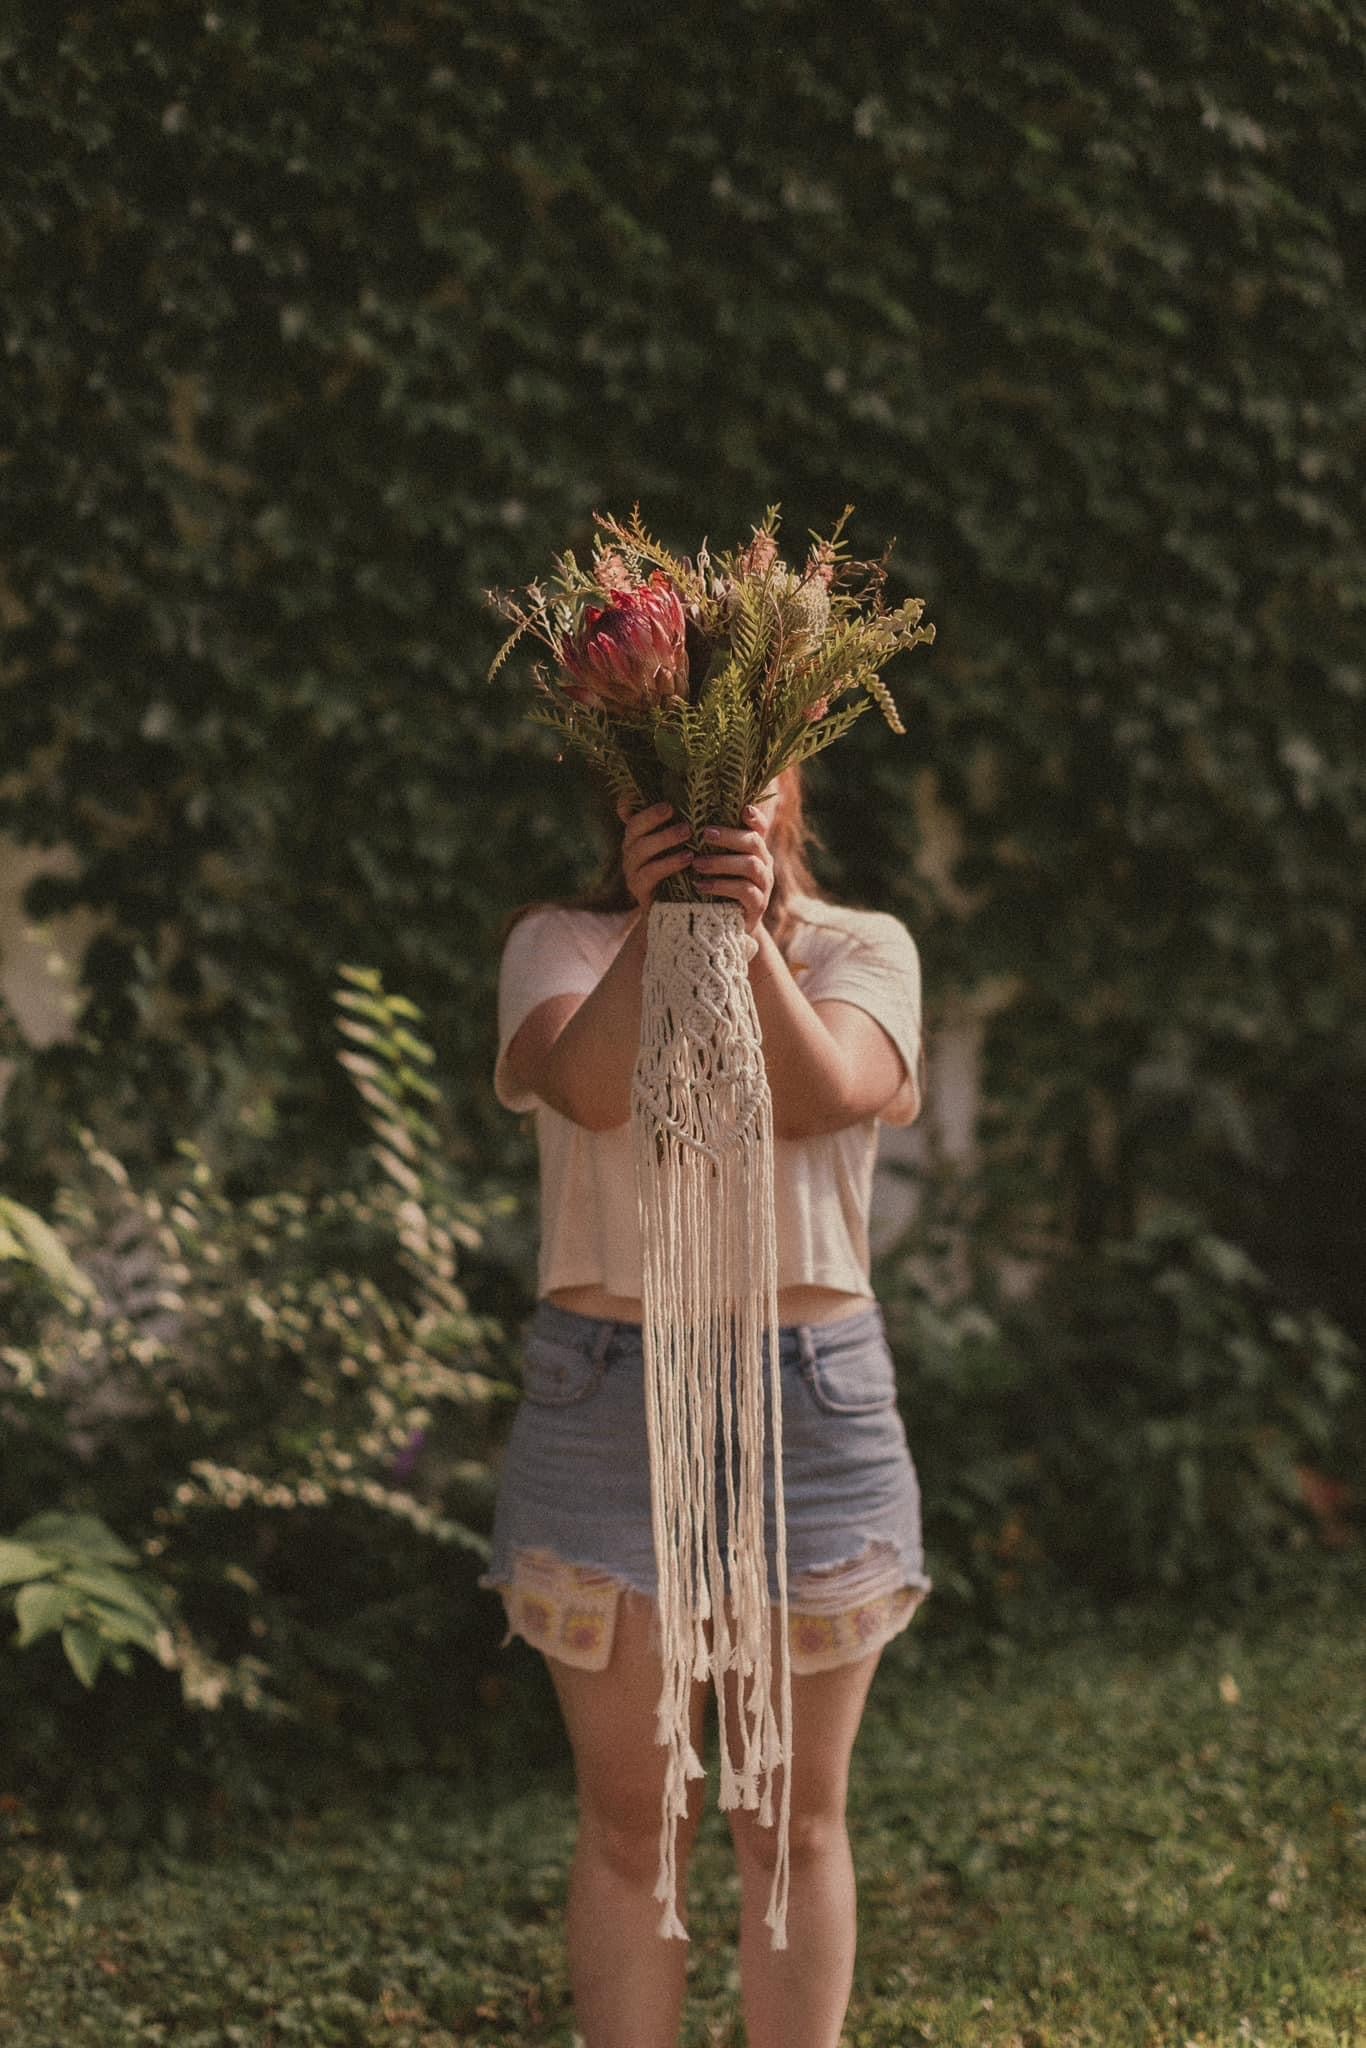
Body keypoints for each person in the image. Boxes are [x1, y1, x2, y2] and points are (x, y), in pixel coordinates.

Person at [481, 761, 932, 2048]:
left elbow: (819, 1093)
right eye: (673, 777)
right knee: (636, 1822)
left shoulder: (864, 949)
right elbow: (590, 1087)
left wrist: (738, 936)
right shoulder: (554, 944)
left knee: (789, 1820)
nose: (718, 798)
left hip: (812, 1405)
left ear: (791, 778)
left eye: (747, 767)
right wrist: (667, 929)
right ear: (623, 801)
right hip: (607, 1401)